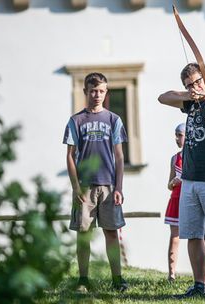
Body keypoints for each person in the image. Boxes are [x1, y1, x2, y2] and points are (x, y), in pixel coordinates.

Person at [158, 63, 205, 299]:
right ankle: (200, 285)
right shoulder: (190, 102)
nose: (195, 87)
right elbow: (162, 97)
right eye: (190, 84)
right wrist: (188, 94)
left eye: (198, 82)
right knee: (193, 234)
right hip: (190, 180)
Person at [63, 72, 129, 293]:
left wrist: (119, 186)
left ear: (106, 92)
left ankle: (117, 279)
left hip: (109, 185)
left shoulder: (114, 120)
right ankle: (83, 279)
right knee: (84, 233)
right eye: (93, 91)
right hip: (85, 186)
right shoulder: (76, 120)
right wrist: (75, 186)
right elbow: (70, 156)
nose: (97, 95)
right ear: (85, 92)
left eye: (101, 91)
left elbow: (119, 156)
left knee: (111, 232)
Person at [164, 123, 185, 282]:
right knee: (175, 237)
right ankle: (171, 273)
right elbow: (169, 184)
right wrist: (174, 182)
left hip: (191, 199)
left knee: (203, 238)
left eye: (180, 135)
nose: (178, 138)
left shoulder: (197, 156)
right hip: (177, 199)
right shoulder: (175, 158)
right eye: (176, 135)